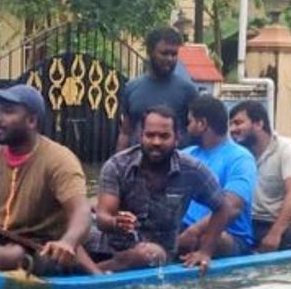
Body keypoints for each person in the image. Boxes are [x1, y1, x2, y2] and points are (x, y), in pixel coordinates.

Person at [0, 84, 95, 273]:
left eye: (8, 112)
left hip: (43, 248)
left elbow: (81, 211)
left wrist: (68, 242)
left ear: (32, 121)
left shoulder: (59, 159)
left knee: (14, 256)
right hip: (0, 237)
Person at [92, 106, 236, 274]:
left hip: (158, 254)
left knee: (151, 254)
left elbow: (223, 207)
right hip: (111, 245)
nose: (156, 142)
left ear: (177, 138)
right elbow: (103, 217)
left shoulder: (191, 169)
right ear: (140, 136)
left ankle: (91, 274)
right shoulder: (117, 165)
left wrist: (205, 252)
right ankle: (88, 270)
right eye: (150, 135)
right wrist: (116, 222)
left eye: (164, 136)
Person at [178, 95, 257, 258]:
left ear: (202, 124)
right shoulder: (185, 155)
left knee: (209, 239)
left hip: (228, 237)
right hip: (184, 230)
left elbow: (232, 207)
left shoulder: (240, 158)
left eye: (190, 122)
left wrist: (194, 231)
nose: (187, 128)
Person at [228, 100, 291, 252]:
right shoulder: (238, 156)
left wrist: (275, 234)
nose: (233, 129)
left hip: (284, 226)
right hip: (249, 223)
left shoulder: (289, 149)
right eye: (231, 125)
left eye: (238, 123)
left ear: (258, 124)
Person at [116, 27, 198, 151]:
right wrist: (119, 165)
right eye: (164, 53)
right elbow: (125, 133)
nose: (170, 59)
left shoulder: (188, 91)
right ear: (150, 52)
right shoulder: (132, 88)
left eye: (174, 54)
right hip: (138, 165)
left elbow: (196, 133)